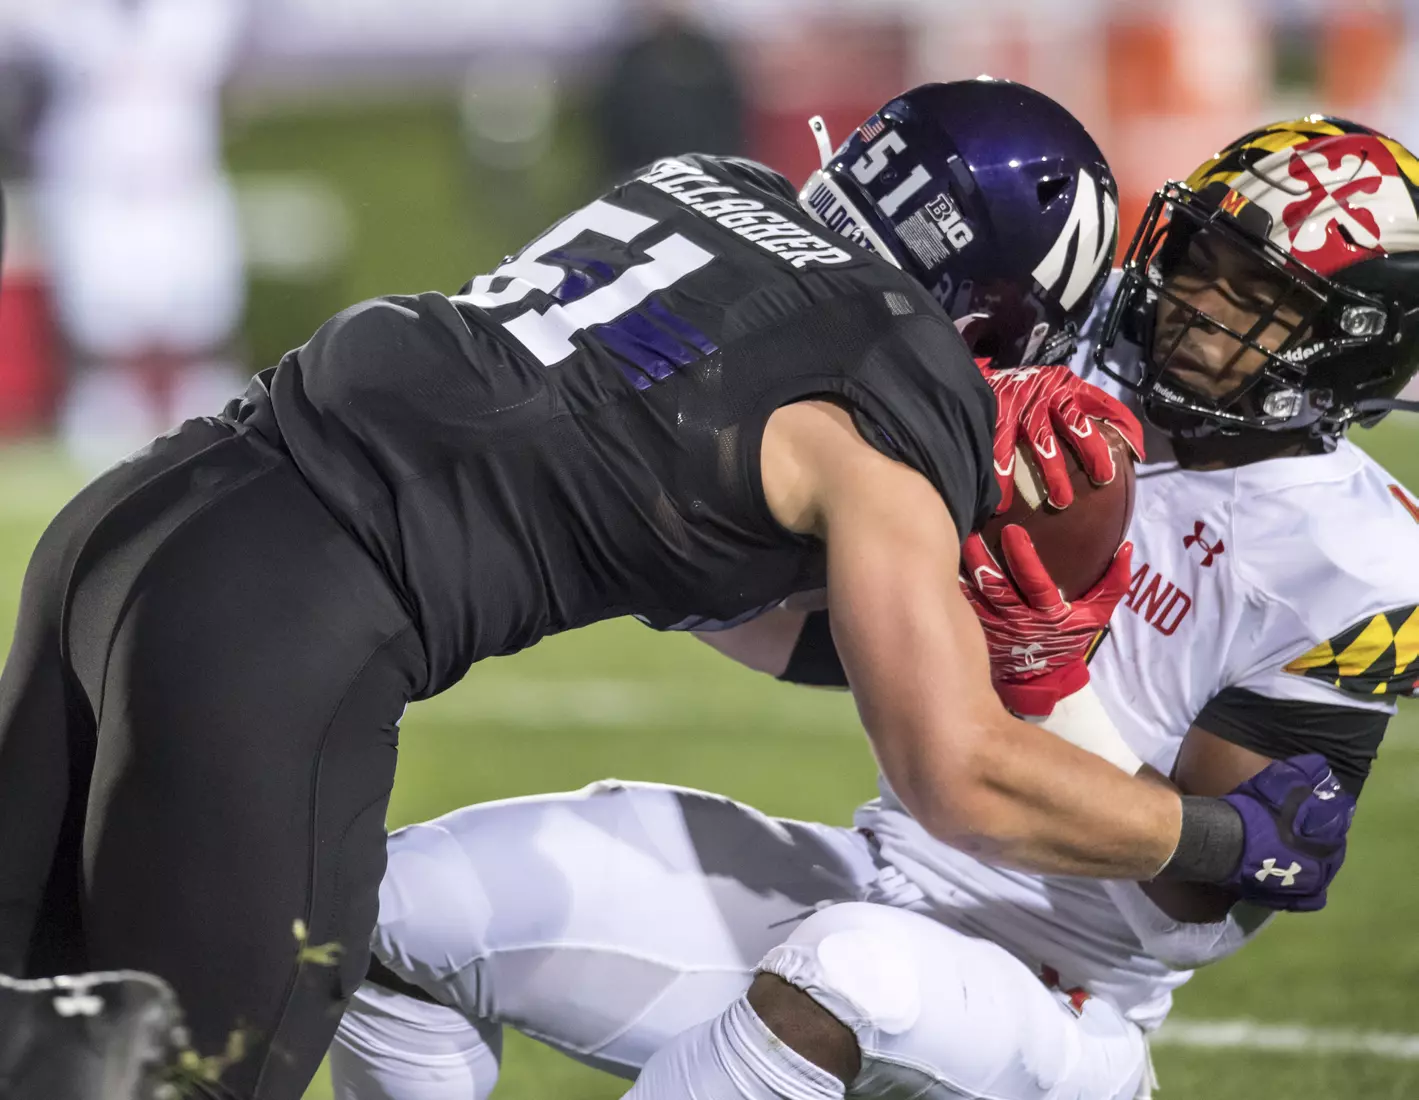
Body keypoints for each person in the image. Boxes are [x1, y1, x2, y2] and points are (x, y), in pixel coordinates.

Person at [0, 80, 1339, 1100]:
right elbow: (958, 777)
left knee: (34, 1007)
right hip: (282, 620)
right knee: (191, 1069)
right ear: (994, 306)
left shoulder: (700, 188)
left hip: (132, 522)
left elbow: (671, 545)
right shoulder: (900, 384)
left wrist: (922, 615)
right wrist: (1222, 838)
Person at [325, 115, 1419, 1100]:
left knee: (850, 973)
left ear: (1357, 342)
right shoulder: (1075, 372)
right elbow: (825, 643)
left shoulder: (1357, 558)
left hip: (1066, 994)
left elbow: (1193, 910)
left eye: (1260, 299)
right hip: (884, 871)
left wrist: (1048, 684)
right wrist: (679, 561)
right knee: (392, 908)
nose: (1198, 309)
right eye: (1200, 264)